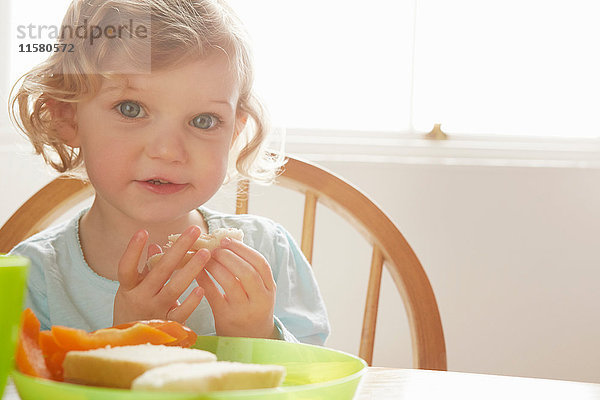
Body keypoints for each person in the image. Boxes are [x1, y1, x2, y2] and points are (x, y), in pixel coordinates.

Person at [8, 0, 329, 345]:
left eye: (203, 121)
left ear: (234, 132)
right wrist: (124, 345)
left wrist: (258, 337)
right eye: (131, 110)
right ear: (67, 117)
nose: (168, 151)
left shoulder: (269, 251)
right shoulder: (30, 276)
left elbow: (315, 379)